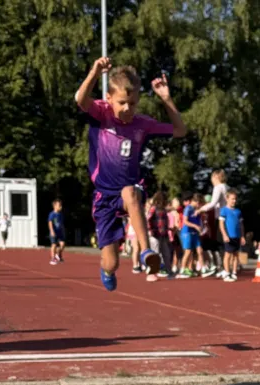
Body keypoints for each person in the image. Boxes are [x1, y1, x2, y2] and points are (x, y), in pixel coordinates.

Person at [75, 57, 186, 291]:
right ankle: (107, 269)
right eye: (122, 102)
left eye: (133, 103)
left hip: (130, 189)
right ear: (109, 98)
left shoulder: (142, 124)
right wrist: (94, 72)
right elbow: (80, 99)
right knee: (111, 262)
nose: (127, 108)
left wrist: (166, 98)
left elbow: (179, 130)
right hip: (104, 196)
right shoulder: (101, 113)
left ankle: (146, 252)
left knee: (130, 192)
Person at [219, 189, 245, 282]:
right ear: (227, 199)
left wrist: (242, 236)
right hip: (229, 236)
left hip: (237, 236)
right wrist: (224, 235)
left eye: (235, 199)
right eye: (232, 199)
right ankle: (227, 273)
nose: (234, 201)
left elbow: (241, 225)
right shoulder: (224, 210)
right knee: (228, 254)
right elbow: (221, 224)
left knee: (236, 255)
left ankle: (234, 273)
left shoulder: (238, 211)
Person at [177, 192, 202, 279]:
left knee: (199, 250)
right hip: (187, 232)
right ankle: (182, 270)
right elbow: (185, 221)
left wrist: (199, 227)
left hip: (195, 233)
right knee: (188, 252)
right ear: (195, 201)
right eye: (199, 203)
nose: (199, 205)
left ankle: (202, 268)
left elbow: (198, 221)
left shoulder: (197, 210)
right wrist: (195, 226)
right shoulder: (188, 208)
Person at [147, 191, 171, 277]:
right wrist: (150, 230)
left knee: (166, 253)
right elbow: (148, 219)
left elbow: (165, 221)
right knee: (156, 252)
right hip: (155, 233)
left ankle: (168, 270)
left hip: (163, 234)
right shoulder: (153, 208)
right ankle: (154, 271)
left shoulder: (163, 209)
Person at [47, 199, 66, 265]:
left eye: (61, 205)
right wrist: (52, 231)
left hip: (60, 232)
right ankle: (52, 258)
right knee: (54, 244)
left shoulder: (61, 214)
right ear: (54, 206)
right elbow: (50, 223)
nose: (61, 207)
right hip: (54, 232)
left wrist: (63, 230)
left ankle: (58, 254)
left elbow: (61, 223)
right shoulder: (52, 214)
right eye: (59, 205)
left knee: (62, 244)